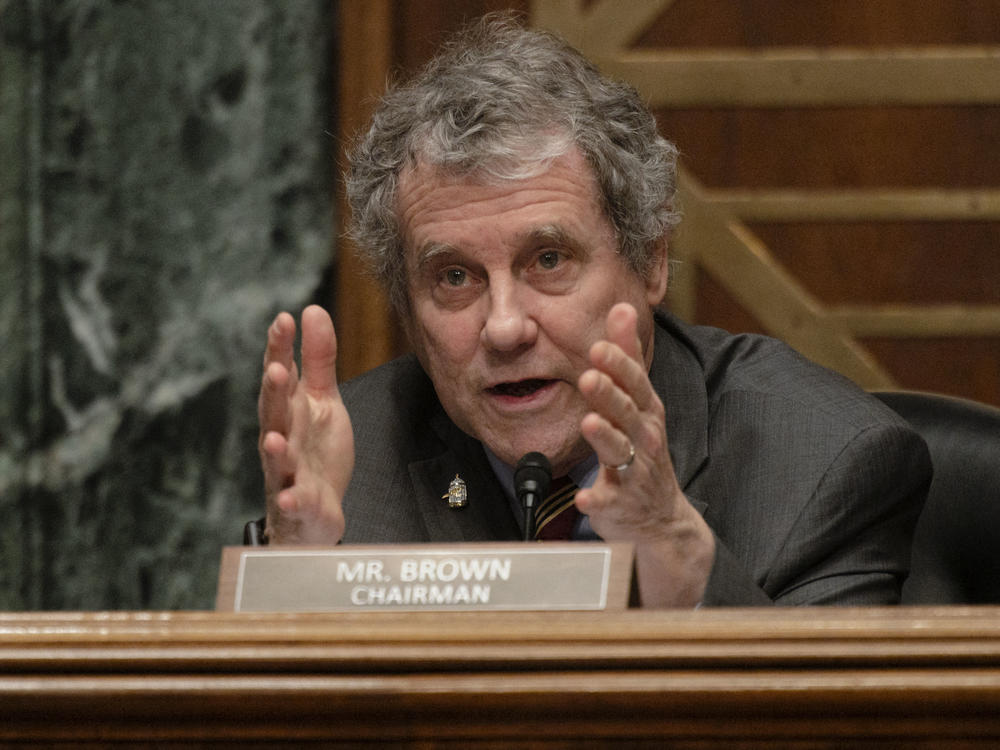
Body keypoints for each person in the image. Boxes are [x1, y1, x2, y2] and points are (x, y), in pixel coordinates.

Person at [255, 14, 930, 607]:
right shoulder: (346, 470)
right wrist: (294, 585)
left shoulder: (820, 464)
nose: (505, 327)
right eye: (455, 277)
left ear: (651, 261)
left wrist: (681, 565)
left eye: (549, 260)